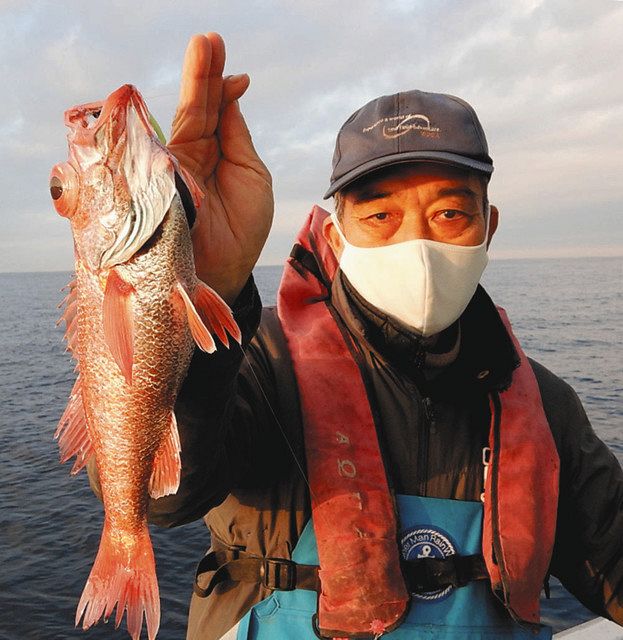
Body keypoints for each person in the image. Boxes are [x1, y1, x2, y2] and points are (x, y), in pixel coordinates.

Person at [89, 33, 623, 639]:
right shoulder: (259, 364)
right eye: (378, 216)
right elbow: (166, 500)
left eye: (450, 213)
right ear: (337, 238)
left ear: (487, 228)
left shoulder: (544, 404)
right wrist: (192, 297)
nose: (415, 243)